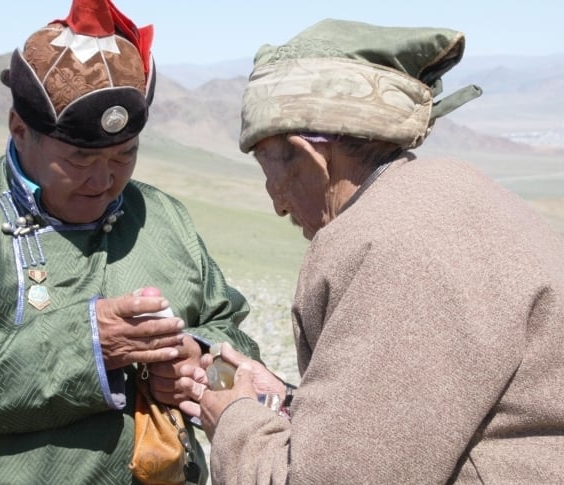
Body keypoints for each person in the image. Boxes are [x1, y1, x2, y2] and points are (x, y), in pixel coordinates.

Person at [0, 0, 259, 483]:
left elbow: (229, 331)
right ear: (20, 130)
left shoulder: (163, 216)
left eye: (126, 154)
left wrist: (200, 359)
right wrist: (88, 345)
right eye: (79, 158)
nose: (105, 178)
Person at [179, 18, 564, 484]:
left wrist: (235, 420)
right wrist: (287, 402)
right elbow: (413, 419)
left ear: (310, 157)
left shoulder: (392, 250)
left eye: (269, 169)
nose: (277, 202)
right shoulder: (459, 198)